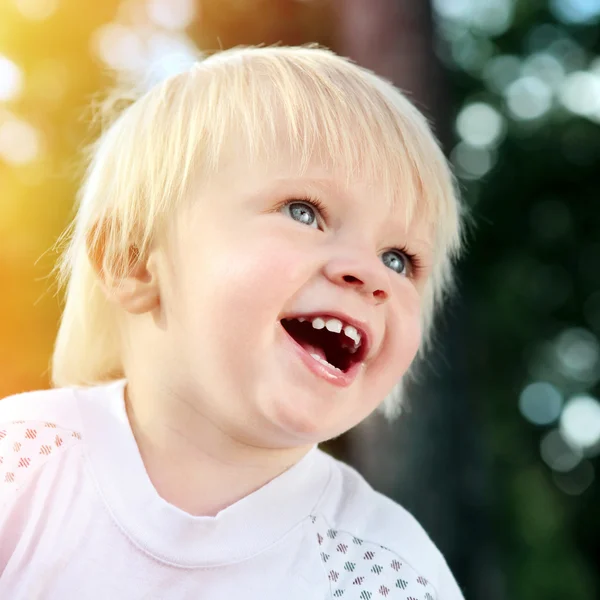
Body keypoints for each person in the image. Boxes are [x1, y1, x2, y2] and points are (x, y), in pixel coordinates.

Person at [0, 45, 465, 599]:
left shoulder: (384, 573)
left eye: (399, 258)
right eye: (305, 211)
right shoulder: (21, 462)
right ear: (132, 258)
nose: (372, 275)